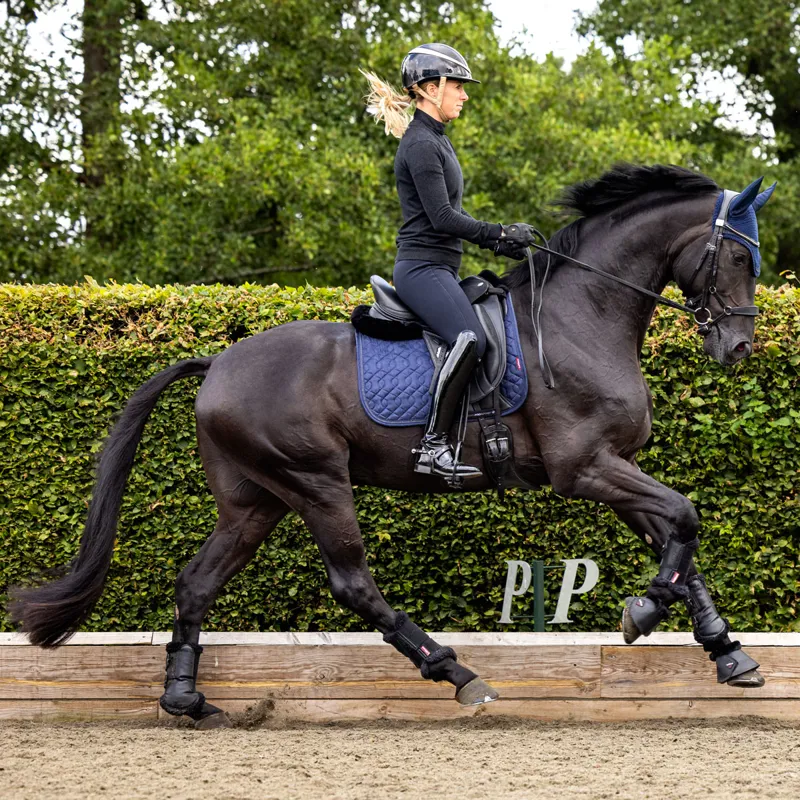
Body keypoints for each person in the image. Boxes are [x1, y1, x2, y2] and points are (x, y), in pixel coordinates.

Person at [362, 44, 536, 481]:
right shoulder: (420, 144)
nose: (464, 95)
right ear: (428, 89)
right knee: (470, 338)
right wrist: (497, 235)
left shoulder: (436, 139)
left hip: (441, 267)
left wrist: (502, 243)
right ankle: (433, 447)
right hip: (421, 269)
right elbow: (442, 218)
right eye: (457, 86)